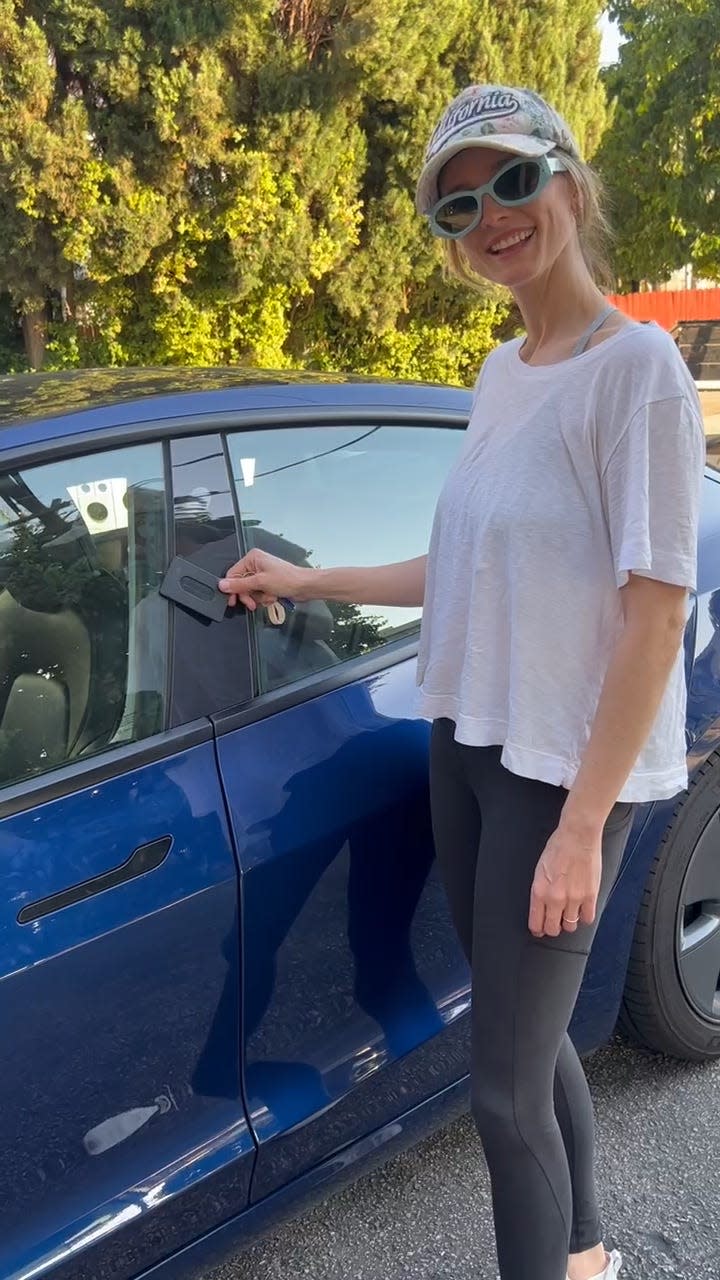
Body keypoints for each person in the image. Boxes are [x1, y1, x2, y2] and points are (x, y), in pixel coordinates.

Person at [218, 84, 705, 1280]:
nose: (488, 217)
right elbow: (461, 564)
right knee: (530, 1053)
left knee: (497, 1096)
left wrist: (586, 826)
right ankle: (586, 1252)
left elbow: (658, 612)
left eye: (511, 182)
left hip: (564, 773)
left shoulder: (634, 369)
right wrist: (309, 575)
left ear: (569, 183)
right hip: (473, 744)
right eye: (456, 203)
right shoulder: (503, 371)